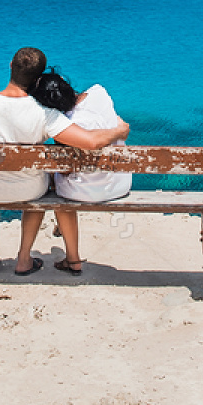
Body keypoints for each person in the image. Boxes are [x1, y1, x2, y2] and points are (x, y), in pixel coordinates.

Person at [0, 47, 129, 276]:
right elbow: (90, 142)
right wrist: (119, 131)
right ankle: (23, 259)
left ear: (11, 66)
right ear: (38, 78)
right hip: (30, 190)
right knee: (43, 189)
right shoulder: (44, 114)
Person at [28, 70, 131, 275]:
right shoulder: (99, 92)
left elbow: (66, 170)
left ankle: (73, 260)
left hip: (85, 192)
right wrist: (119, 130)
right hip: (120, 183)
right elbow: (115, 120)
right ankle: (62, 231)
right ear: (65, 82)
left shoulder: (65, 125)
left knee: (54, 183)